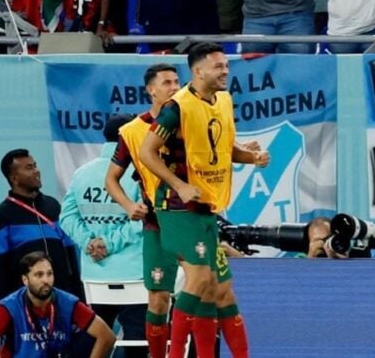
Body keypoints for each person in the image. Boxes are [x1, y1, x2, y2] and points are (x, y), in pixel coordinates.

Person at [139, 43, 270, 358]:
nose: (225, 71)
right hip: (177, 206)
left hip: (207, 206)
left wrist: (251, 157)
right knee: (199, 280)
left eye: (226, 65)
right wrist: (179, 185)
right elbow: (146, 152)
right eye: (218, 66)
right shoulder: (177, 108)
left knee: (220, 290)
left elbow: (223, 149)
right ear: (198, 71)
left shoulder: (223, 100)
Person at [104, 63, 180, 358]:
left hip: (194, 217)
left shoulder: (191, 120)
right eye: (167, 83)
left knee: (205, 294)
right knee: (159, 299)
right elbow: (111, 179)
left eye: (177, 82)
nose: (174, 88)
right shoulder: (132, 131)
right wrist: (129, 206)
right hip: (157, 224)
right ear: (151, 90)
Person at [60, 114, 146, 358]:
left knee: (94, 343)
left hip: (95, 276)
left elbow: (67, 217)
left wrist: (90, 242)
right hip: (135, 274)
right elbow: (145, 219)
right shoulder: (140, 173)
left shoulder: (81, 174)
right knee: (138, 344)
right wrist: (107, 243)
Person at [0, 149, 84, 303]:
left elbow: (70, 254)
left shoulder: (54, 206)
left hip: (62, 296)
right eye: (29, 168)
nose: (36, 171)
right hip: (25, 301)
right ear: (14, 178)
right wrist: (5, 308)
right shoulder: (0, 216)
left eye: (35, 165)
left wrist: (79, 296)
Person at [0, 252, 116, 358]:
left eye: (49, 274)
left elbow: (107, 336)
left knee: (88, 339)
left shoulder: (68, 303)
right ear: (25, 280)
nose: (46, 280)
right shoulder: (8, 308)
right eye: (39, 275)